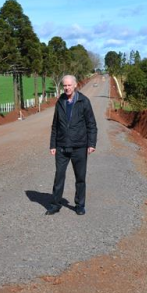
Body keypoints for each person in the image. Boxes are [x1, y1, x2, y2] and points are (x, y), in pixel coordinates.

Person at [47, 74, 97, 216]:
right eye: (65, 85)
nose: (67, 88)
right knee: (59, 176)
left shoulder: (84, 101)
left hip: (79, 146)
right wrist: (53, 145)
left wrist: (91, 143)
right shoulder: (60, 102)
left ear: (75, 85)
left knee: (80, 177)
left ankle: (80, 205)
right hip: (62, 146)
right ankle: (55, 205)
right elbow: (55, 125)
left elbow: (91, 124)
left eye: (69, 85)